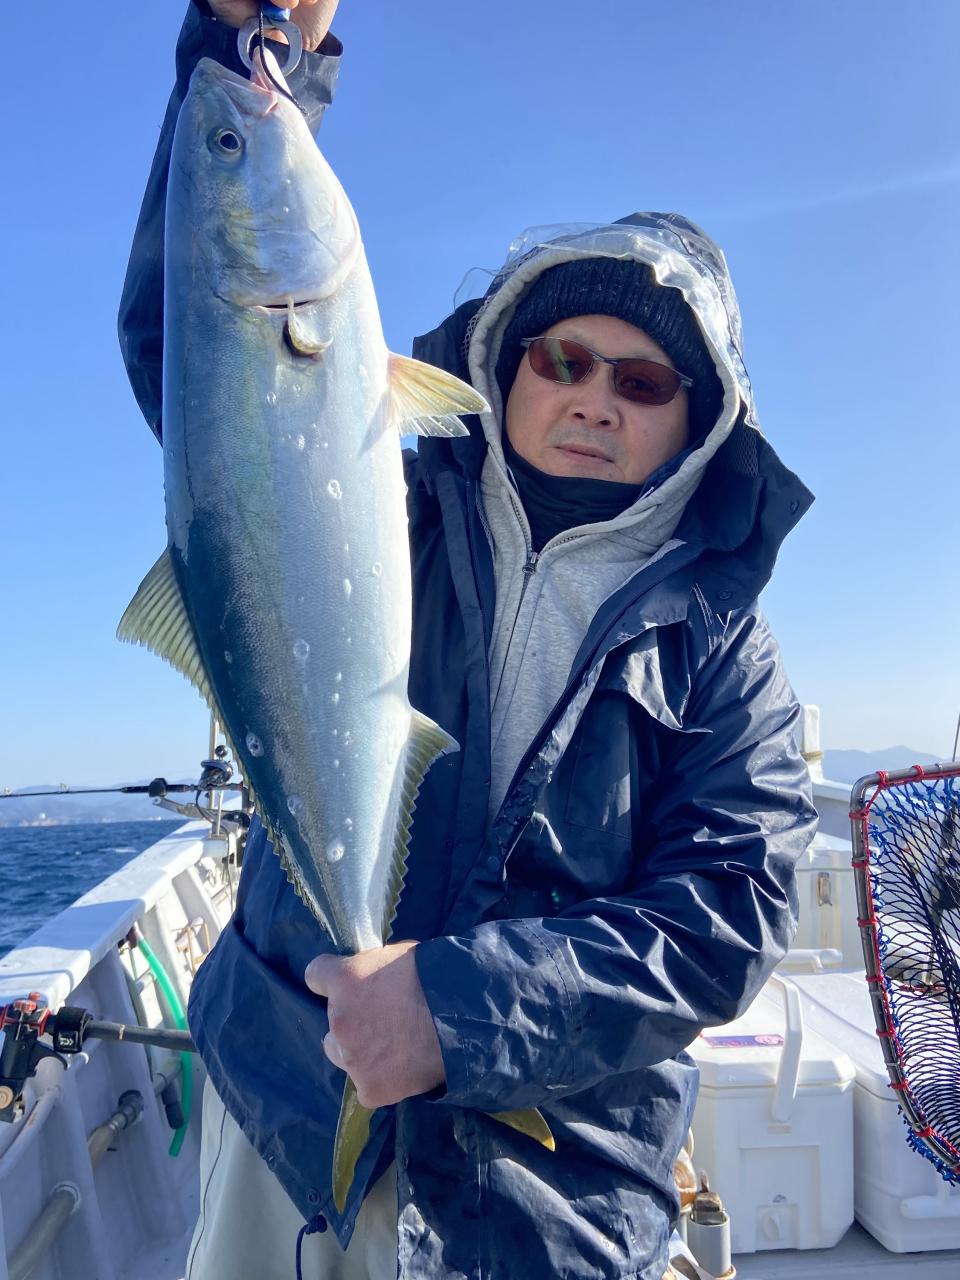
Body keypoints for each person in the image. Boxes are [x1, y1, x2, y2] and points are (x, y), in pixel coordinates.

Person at [119, 4, 817, 1277]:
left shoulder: (728, 657)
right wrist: (245, 55)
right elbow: (207, 359)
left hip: (549, 1198)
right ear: (507, 366)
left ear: (698, 419)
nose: (593, 398)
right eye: (562, 356)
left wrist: (455, 1010)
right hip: (294, 1112)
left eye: (643, 381)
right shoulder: (390, 496)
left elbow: (725, 912)